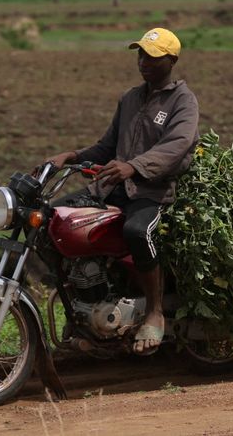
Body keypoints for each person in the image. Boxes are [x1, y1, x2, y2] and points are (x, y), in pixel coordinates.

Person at [46, 27, 199, 355]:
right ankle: (80, 314)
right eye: (140, 54)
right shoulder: (130, 98)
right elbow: (106, 146)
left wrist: (135, 166)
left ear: (171, 61)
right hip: (111, 189)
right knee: (53, 221)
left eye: (153, 57)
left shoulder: (182, 100)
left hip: (152, 192)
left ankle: (154, 312)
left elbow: (178, 145)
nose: (143, 61)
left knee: (137, 231)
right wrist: (70, 156)